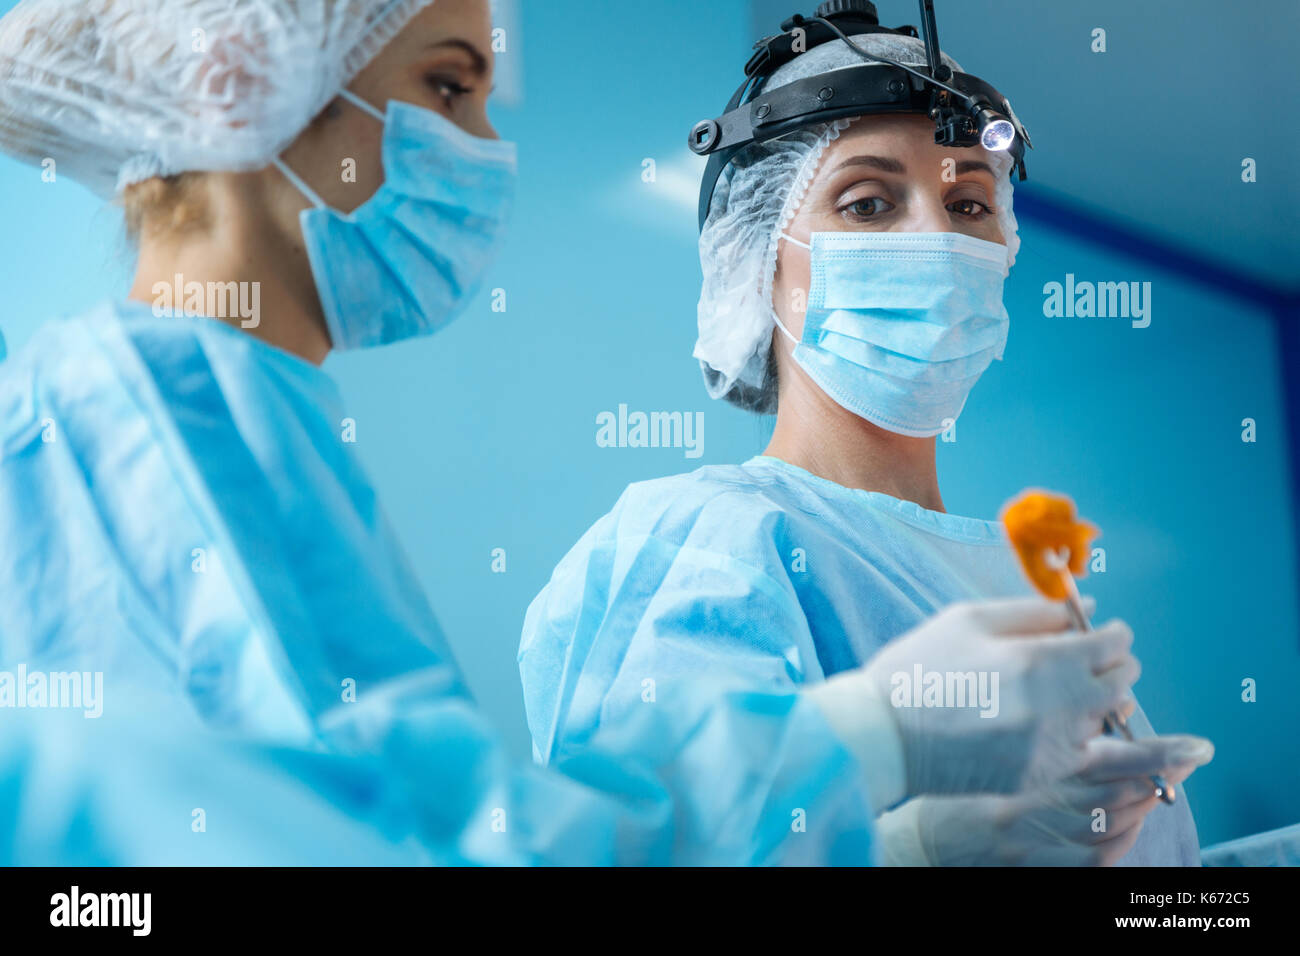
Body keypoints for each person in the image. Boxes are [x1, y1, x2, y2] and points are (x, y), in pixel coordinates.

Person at [0, 0, 1151, 866]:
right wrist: (883, 763)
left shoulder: (255, 418)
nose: (485, 149)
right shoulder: (152, 425)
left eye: (970, 202)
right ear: (237, 79)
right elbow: (426, 847)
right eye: (451, 89)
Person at [518, 24, 1212, 865]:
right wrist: (922, 852)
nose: (938, 240)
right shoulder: (711, 540)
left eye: (969, 204)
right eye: (868, 202)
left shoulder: (1030, 593)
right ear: (758, 265)